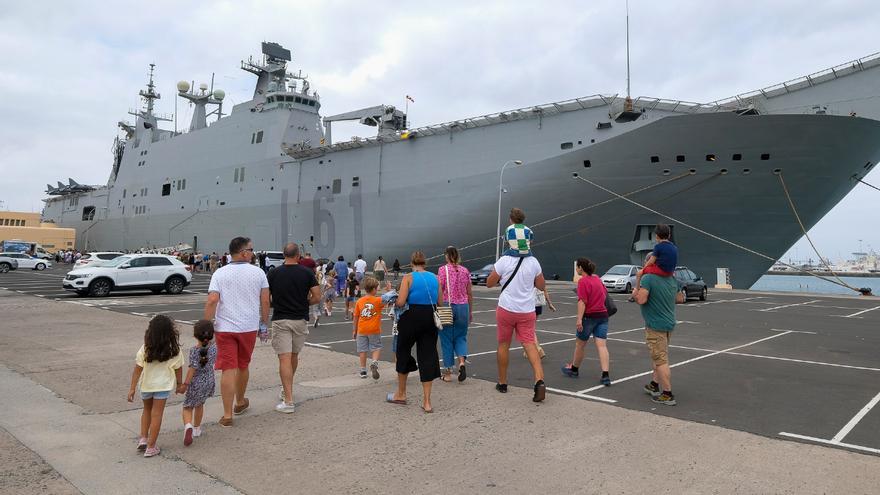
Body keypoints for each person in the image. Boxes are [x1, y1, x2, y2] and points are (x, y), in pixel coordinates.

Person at [204, 237, 270, 427]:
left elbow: (212, 300)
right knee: (243, 365)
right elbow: (265, 301)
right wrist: (264, 324)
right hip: (248, 327)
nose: (253, 253)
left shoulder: (219, 273)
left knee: (228, 368)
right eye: (251, 249)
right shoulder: (259, 273)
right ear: (243, 252)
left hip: (224, 328)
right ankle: (240, 402)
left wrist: (205, 326)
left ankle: (226, 415)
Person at [487, 220, 547, 402]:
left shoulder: (504, 261)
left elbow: (489, 283)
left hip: (506, 308)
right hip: (527, 310)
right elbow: (541, 285)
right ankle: (539, 380)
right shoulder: (534, 262)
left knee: (503, 344)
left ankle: (503, 383)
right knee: (530, 344)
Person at [267, 243, 321, 413]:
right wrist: (304, 304)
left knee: (284, 358)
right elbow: (317, 297)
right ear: (298, 255)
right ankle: (287, 389)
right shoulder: (307, 273)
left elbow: (266, 297)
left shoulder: (274, 273)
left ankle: (288, 400)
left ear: (284, 255)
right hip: (300, 319)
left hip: (281, 318)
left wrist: (275, 304)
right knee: (294, 356)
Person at [386, 251, 441, 413]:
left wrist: (393, 299)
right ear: (425, 262)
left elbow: (401, 301)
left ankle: (401, 394)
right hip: (430, 317)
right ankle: (427, 402)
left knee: (403, 351)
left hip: (411, 317)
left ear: (412, 263)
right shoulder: (435, 277)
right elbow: (440, 301)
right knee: (428, 355)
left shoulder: (408, 277)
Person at [127, 314, 184, 457]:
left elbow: (137, 369)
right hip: (163, 387)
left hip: (146, 385)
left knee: (146, 410)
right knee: (157, 414)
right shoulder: (174, 349)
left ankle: (143, 439)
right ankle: (151, 446)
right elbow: (178, 368)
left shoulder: (146, 348)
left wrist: (132, 388)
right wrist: (179, 384)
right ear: (170, 331)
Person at [632, 254, 679, 406]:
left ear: (649, 262)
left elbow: (641, 299)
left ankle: (667, 394)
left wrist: (637, 287)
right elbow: (679, 298)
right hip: (669, 323)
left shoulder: (649, 278)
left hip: (655, 325)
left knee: (660, 360)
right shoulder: (671, 278)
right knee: (659, 355)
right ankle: (654, 384)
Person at [561, 258, 612, 386]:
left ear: (580, 268)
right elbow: (604, 294)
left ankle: (574, 369)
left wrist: (579, 319)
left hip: (588, 317)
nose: (576, 269)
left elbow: (582, 301)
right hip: (603, 316)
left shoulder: (583, 281)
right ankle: (605, 374)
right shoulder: (597, 279)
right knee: (602, 345)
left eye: (577, 267)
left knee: (580, 345)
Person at [437, 246, 472, 382]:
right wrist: (470, 311)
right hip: (463, 306)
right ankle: (462, 362)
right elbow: (469, 293)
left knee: (446, 339)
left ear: (446, 256)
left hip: (447, 305)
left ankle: (448, 372)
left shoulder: (442, 270)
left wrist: (437, 306)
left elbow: (440, 290)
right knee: (461, 337)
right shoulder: (465, 270)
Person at [180, 319, 217, 446]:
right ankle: (196, 429)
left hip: (196, 382)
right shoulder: (214, 347)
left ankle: (188, 425)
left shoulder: (194, 350)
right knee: (200, 404)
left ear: (195, 335)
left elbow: (192, 369)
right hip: (209, 380)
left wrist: (185, 384)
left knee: (187, 407)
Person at [633, 224, 678, 295]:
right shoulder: (674, 247)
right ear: (669, 235)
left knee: (639, 273)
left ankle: (637, 291)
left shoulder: (658, 247)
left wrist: (643, 268)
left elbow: (651, 261)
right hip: (671, 272)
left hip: (662, 271)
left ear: (656, 236)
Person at [353, 276, 383, 379]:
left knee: (362, 350)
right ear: (374, 289)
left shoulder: (360, 301)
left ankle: (363, 370)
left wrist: (354, 330)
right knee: (376, 347)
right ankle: (374, 362)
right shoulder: (378, 300)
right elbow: (389, 300)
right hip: (374, 329)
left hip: (362, 329)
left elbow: (356, 316)